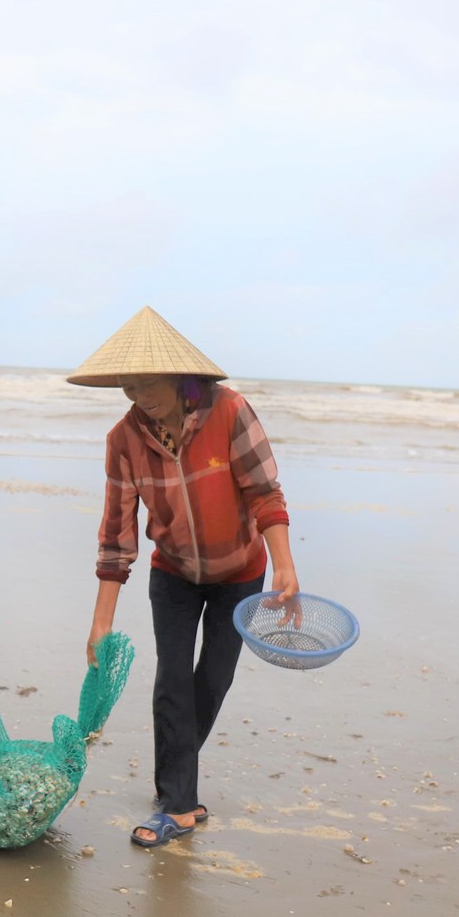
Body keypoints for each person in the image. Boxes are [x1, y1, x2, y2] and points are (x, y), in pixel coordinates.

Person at [75, 307, 299, 848]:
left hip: (240, 573)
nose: (138, 394)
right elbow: (116, 536)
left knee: (211, 683)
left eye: (147, 381)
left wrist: (285, 569)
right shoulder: (123, 439)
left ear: (179, 376)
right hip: (172, 573)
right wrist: (100, 624)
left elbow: (264, 494)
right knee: (171, 679)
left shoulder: (230, 412)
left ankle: (172, 781)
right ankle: (179, 806)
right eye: (127, 385)